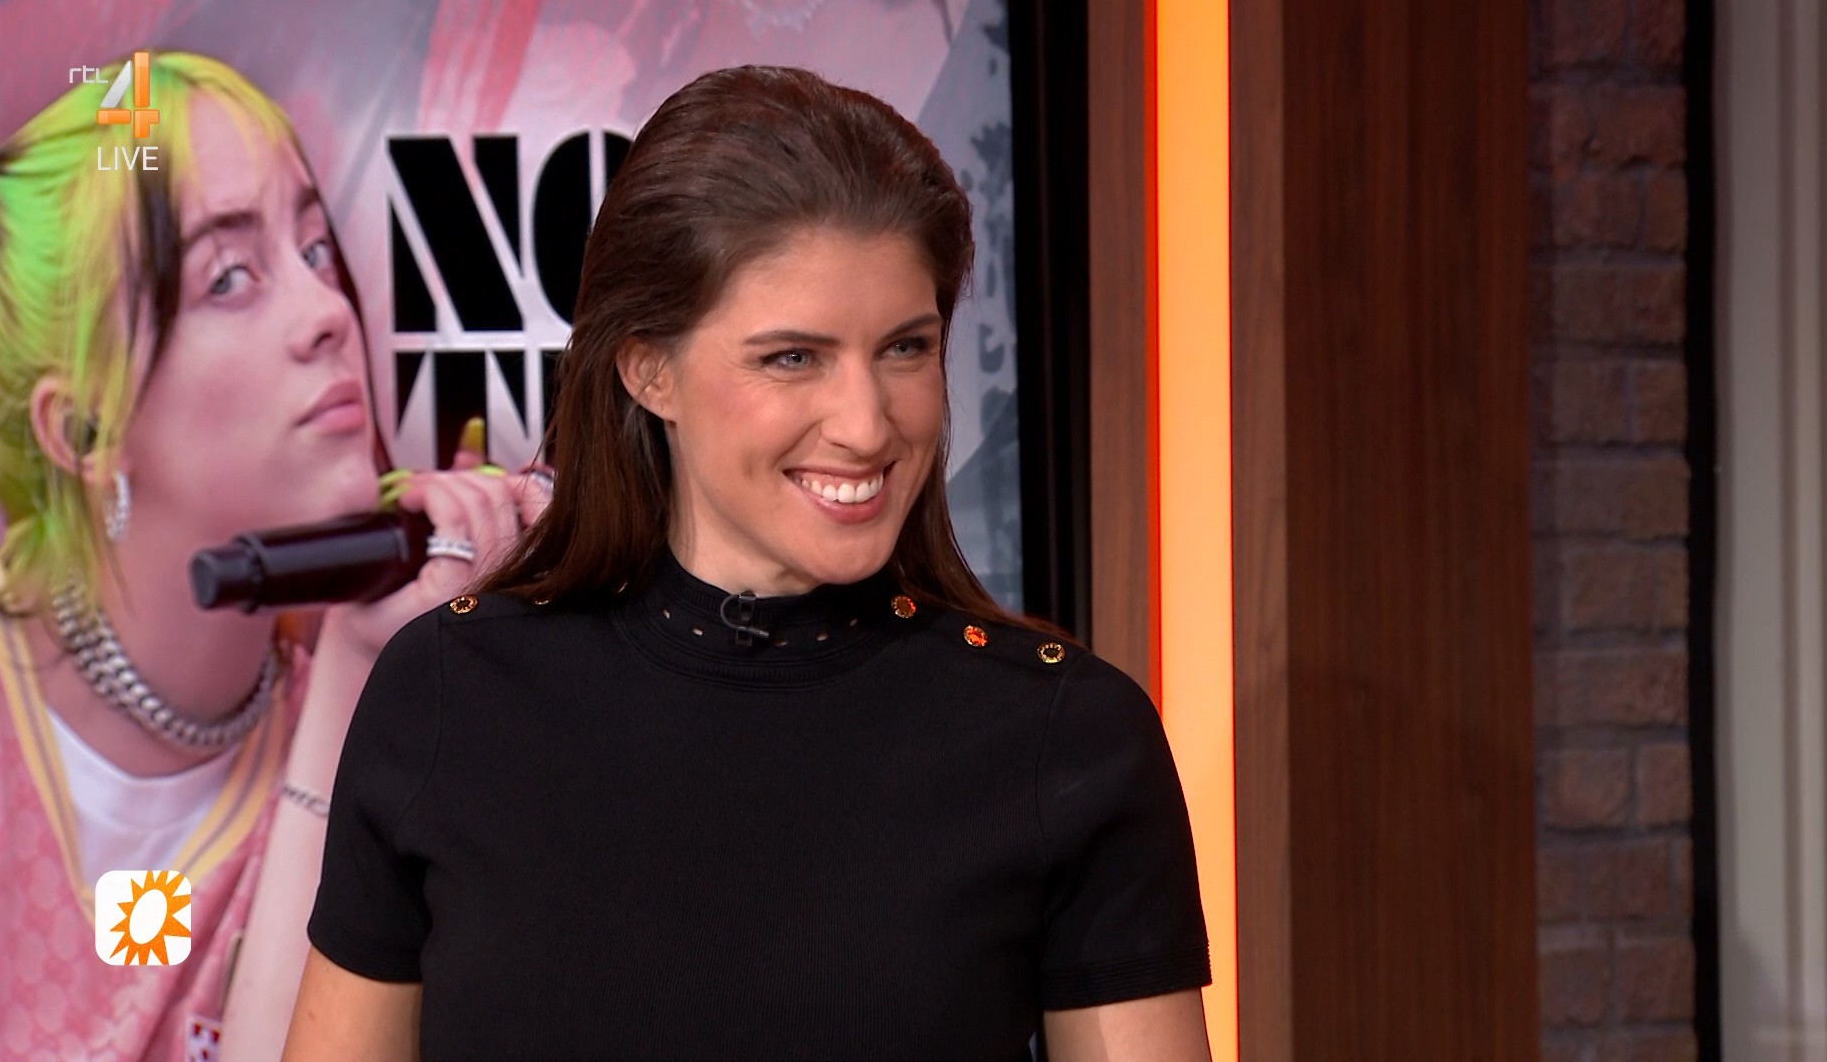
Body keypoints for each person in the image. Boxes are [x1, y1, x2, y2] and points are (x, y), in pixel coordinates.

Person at [283, 65, 1212, 1061]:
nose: (867, 425)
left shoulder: (1067, 737)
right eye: (792, 358)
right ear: (649, 368)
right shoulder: (448, 695)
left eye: (905, 349)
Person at [0, 55, 542, 1058]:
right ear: (82, 430)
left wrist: (358, 676)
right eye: (229, 278)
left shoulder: (359, 707)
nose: (329, 313)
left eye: (315, 249)